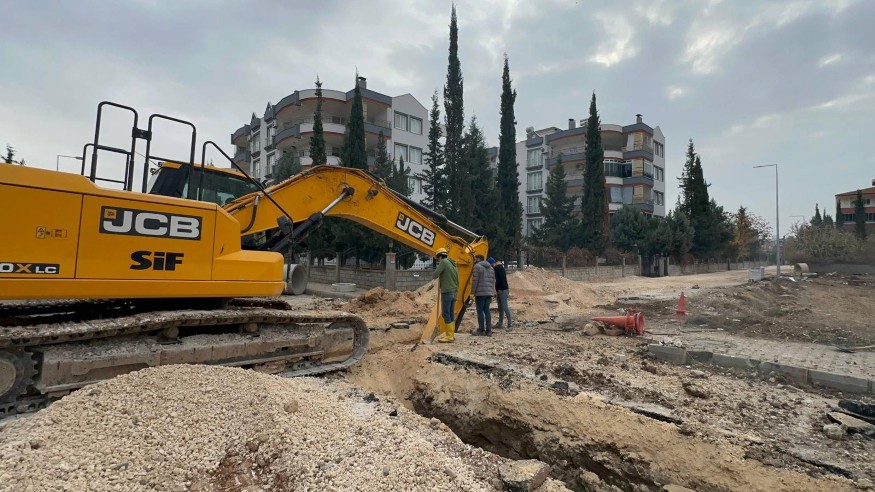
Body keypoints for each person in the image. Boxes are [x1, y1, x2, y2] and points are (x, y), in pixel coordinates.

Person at [431, 247, 458, 343]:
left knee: (445, 313)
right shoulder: (453, 263)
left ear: (439, 257)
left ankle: (449, 336)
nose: (438, 260)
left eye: (437, 258)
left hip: (447, 292)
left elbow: (435, 274)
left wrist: (437, 273)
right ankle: (451, 334)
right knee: (450, 313)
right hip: (455, 292)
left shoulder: (443, 262)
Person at [471, 254, 496, 336]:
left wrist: (472, 293)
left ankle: (481, 330)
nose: (474, 260)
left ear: (478, 259)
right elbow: (493, 281)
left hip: (480, 293)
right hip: (489, 293)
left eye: (475, 259)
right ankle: (489, 331)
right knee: (487, 311)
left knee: (480, 311)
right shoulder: (491, 268)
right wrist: (492, 292)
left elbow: (475, 281)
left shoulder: (477, 267)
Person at [489, 257, 512, 330]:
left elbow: (502, 279)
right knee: (500, 308)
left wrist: (500, 289)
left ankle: (510, 324)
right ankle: (500, 323)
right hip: (500, 290)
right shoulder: (498, 268)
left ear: (492, 263)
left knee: (505, 307)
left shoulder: (499, 268)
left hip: (503, 290)